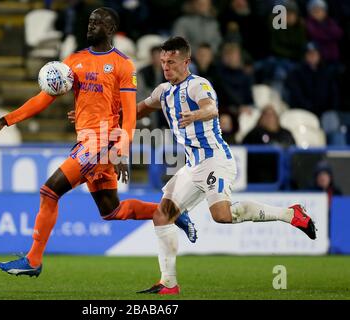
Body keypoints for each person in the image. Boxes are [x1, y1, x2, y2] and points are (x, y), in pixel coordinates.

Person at [0, 7, 196, 278]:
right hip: (88, 142)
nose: (90, 26)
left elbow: (129, 116)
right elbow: (43, 98)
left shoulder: (123, 65)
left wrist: (120, 151)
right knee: (111, 211)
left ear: (111, 29)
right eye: (89, 22)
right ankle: (172, 211)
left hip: (102, 143)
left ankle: (33, 260)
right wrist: (5, 121)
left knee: (49, 191)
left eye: (98, 23)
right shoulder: (74, 60)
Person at [135, 37, 317, 295]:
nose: (166, 67)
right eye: (163, 62)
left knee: (221, 215)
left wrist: (195, 114)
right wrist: (101, 118)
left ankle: (290, 214)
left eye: (172, 62)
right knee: (161, 214)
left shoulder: (199, 85)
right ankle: (168, 283)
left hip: (215, 160)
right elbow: (138, 111)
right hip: (192, 165)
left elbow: (211, 108)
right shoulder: (163, 91)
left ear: (186, 62)